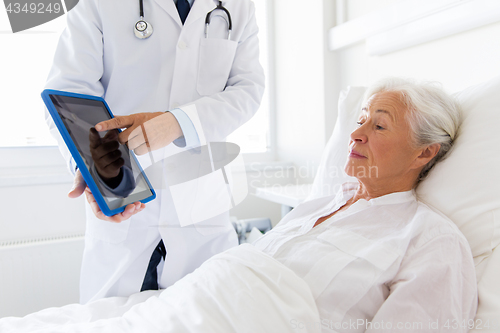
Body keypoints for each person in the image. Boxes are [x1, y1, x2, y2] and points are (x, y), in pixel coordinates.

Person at [3, 78, 476, 331]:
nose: (356, 133)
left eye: (380, 125)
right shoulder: (321, 206)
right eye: (360, 120)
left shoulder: (429, 240)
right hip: (197, 302)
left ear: (425, 152)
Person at [44, 0, 265, 304]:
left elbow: (248, 89)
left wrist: (176, 123)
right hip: (124, 197)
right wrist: (92, 171)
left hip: (201, 208)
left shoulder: (237, 6)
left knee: (205, 315)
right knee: (113, 320)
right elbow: (69, 93)